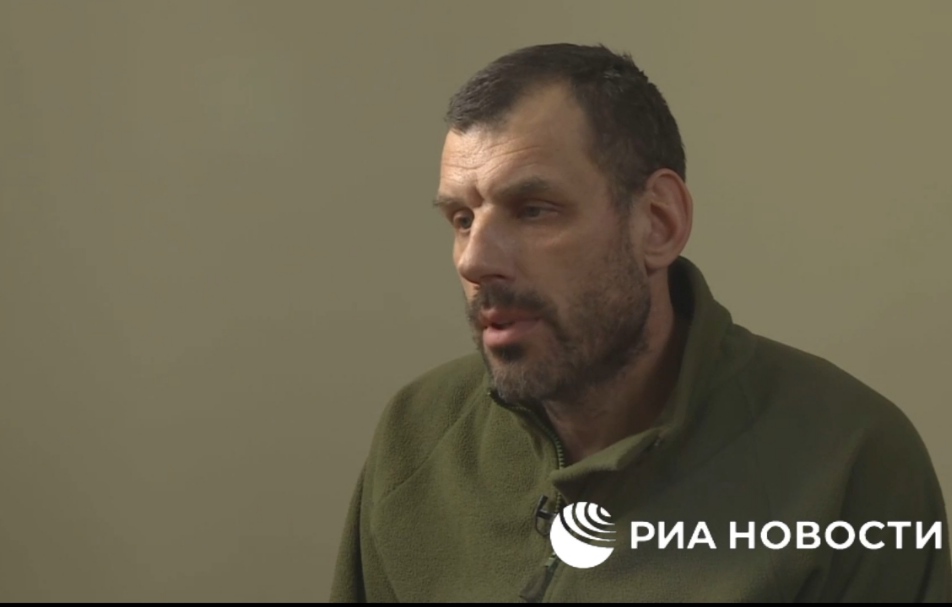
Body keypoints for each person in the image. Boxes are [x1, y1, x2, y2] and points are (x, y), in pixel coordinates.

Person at [329, 43, 951, 602]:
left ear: (658, 222)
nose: (475, 260)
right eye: (463, 219)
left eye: (534, 210)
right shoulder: (418, 433)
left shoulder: (851, 460)